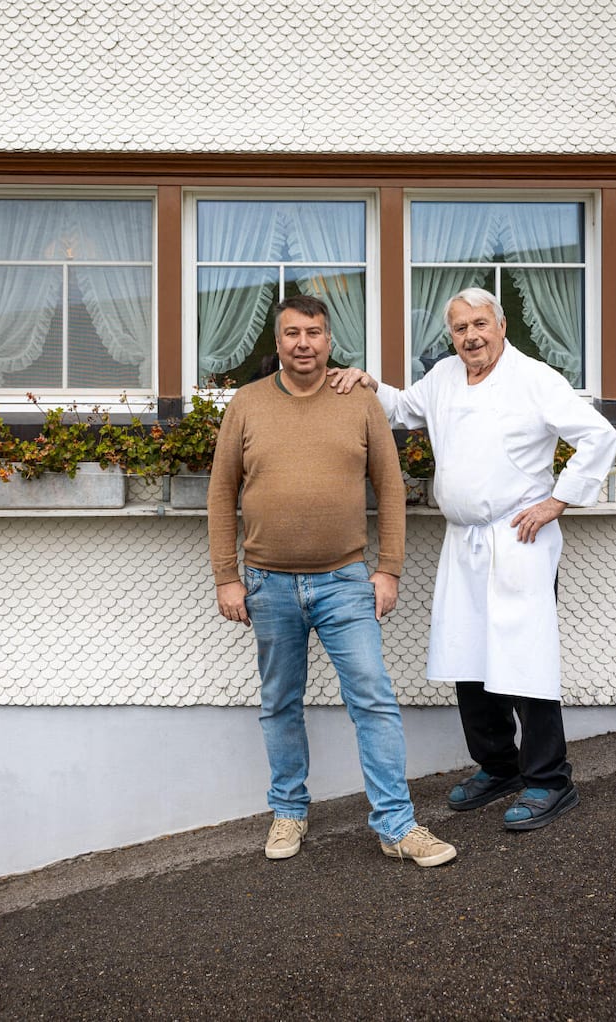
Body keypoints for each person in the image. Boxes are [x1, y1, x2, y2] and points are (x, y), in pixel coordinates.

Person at [330, 287, 616, 832]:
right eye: (460, 328)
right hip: (463, 542)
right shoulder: (442, 376)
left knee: (523, 659)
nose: (471, 336)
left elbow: (597, 435)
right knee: (470, 657)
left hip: (520, 540)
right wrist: (367, 381)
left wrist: (557, 501)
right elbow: (404, 407)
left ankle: (549, 781)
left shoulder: (534, 377)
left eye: (480, 324)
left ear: (502, 325)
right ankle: (499, 767)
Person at [208, 294, 456, 866]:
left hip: (345, 581)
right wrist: (227, 577)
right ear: (276, 342)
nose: (303, 343)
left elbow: (390, 488)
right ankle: (289, 812)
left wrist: (388, 568)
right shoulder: (245, 404)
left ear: (328, 340)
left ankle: (397, 826)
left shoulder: (359, 400)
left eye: (313, 333)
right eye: (292, 333)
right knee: (279, 702)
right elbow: (221, 493)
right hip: (267, 584)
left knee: (373, 698)